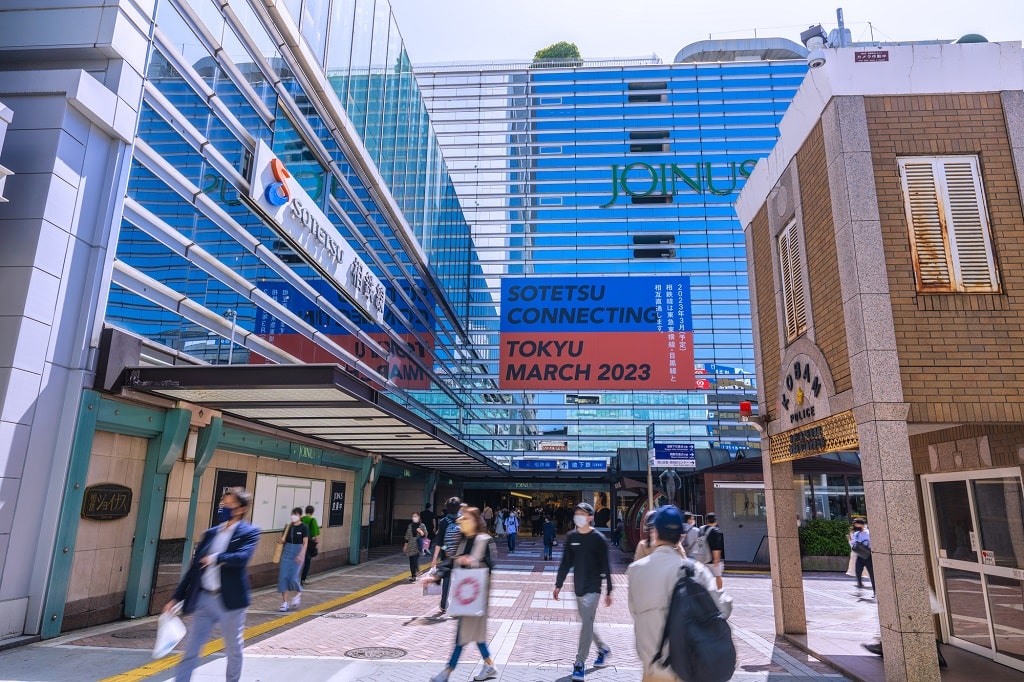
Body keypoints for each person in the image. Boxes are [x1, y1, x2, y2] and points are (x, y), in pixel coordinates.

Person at [165, 487, 260, 682]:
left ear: (241, 508)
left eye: (229, 504)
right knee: (191, 649)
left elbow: (242, 558)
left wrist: (215, 558)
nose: (224, 507)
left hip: (231, 602)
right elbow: (193, 570)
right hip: (204, 599)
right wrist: (176, 597)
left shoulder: (250, 532)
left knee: (233, 650)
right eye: (222, 504)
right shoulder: (210, 533)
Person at [627, 505, 721, 682]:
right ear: (681, 534)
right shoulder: (697, 571)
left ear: (655, 532)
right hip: (691, 667)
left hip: (655, 668)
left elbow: (635, 612)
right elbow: (721, 609)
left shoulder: (635, 571)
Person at [429, 507, 499, 682]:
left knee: (463, 635)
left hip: (478, 597)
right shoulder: (464, 540)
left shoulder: (484, 540)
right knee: (476, 636)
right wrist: (436, 575)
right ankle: (489, 665)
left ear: (475, 520)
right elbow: (452, 561)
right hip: (466, 597)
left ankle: (447, 672)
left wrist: (473, 561)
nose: (462, 522)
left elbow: (491, 564)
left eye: (466, 519)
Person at [554, 502, 613, 681]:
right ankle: (602, 648)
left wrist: (609, 590)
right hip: (578, 587)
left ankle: (580, 662)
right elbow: (565, 562)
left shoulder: (598, 539)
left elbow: (606, 565)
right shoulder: (572, 537)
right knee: (587, 623)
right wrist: (558, 584)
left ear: (590, 517)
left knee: (586, 622)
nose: (578, 516)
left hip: (594, 587)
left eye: (582, 513)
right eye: (576, 513)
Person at [431, 496, 463, 613]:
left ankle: (444, 603)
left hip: (447, 555)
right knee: (461, 579)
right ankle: (460, 604)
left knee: (447, 579)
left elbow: (440, 542)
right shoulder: (464, 520)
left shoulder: (444, 521)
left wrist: (434, 559)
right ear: (459, 508)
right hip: (461, 555)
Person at [277, 507, 309, 611]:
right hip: (287, 552)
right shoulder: (288, 527)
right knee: (283, 577)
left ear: (300, 515)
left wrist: (301, 554)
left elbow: (305, 543)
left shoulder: (304, 527)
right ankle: (285, 602)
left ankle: (298, 593)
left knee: (293, 577)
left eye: (295, 514)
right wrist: (282, 540)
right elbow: (283, 540)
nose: (293, 516)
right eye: (292, 514)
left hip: (298, 552)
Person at [850, 518, 875, 593]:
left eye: (858, 525)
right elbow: (853, 543)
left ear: (862, 524)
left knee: (872, 575)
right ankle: (859, 583)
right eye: (855, 525)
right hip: (860, 556)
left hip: (868, 556)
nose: (856, 527)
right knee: (858, 571)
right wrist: (851, 540)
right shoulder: (856, 534)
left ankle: (875, 591)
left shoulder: (869, 533)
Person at [704, 512, 725, 590]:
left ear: (707, 521)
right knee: (718, 577)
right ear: (715, 521)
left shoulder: (701, 529)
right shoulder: (716, 531)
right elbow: (716, 546)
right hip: (713, 560)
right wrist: (716, 559)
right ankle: (720, 592)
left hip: (702, 559)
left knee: (704, 578)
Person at [404, 512, 428, 582]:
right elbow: (407, 536)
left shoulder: (422, 525)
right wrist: (405, 545)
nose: (414, 518)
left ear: (419, 517)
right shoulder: (410, 525)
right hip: (410, 545)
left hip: (418, 545)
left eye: (415, 516)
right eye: (413, 516)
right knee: (411, 561)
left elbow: (425, 535)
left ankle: (416, 572)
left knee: (415, 559)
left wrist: (421, 532)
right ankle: (413, 575)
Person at [300, 505, 320, 584]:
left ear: (305, 511)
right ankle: (303, 578)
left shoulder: (301, 519)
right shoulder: (313, 520)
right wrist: (316, 541)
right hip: (308, 543)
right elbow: (315, 534)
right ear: (312, 512)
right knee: (307, 561)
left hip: (299, 542)